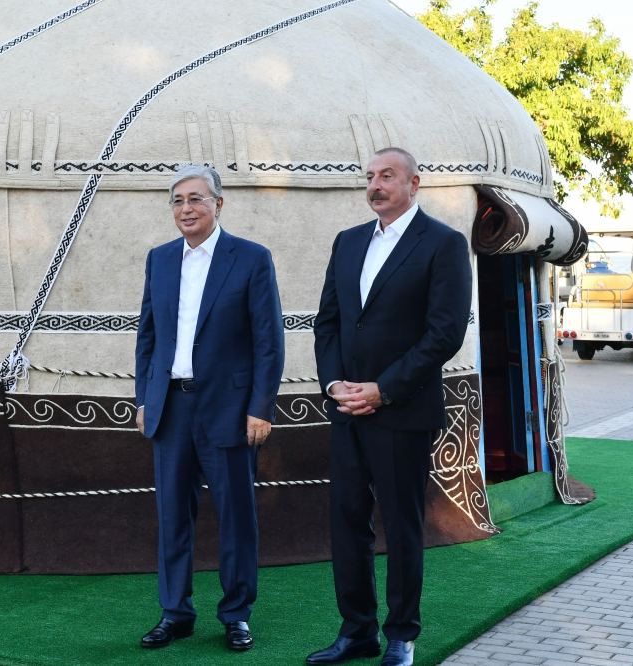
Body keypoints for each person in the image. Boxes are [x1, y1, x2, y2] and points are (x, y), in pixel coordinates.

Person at [308, 147, 471, 666]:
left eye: (387, 176)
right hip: (347, 409)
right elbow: (328, 323)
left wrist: (383, 388)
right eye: (371, 177)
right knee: (346, 521)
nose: (375, 185)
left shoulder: (443, 244)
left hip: (401, 410)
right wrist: (335, 384)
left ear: (414, 183)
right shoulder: (348, 241)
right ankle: (356, 631)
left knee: (401, 526)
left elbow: (444, 333)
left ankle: (401, 634)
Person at [134, 164, 285, 652]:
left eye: (196, 199)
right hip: (171, 408)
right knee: (172, 516)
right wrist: (144, 397)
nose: (186, 209)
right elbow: (148, 336)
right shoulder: (158, 260)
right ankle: (175, 612)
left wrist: (261, 407)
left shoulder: (251, 259)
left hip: (229, 409)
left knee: (236, 517)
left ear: (219, 204)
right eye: (177, 200)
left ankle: (236, 614)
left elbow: (268, 341)